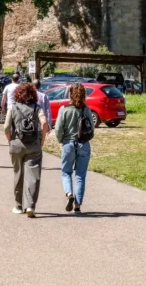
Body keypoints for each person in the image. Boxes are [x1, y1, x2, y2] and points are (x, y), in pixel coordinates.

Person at [4, 82, 48, 217]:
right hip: (33, 144)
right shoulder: (37, 107)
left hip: (16, 143)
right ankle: (30, 206)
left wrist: (9, 139)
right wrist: (42, 140)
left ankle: (18, 205)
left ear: (18, 94)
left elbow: (6, 127)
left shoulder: (13, 107)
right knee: (33, 175)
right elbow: (44, 122)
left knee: (18, 173)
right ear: (33, 95)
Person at [54, 82, 93, 213]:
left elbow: (58, 129)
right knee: (80, 176)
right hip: (83, 144)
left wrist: (61, 140)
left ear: (70, 94)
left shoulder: (64, 109)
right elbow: (91, 130)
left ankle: (69, 193)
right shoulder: (86, 109)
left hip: (68, 144)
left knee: (66, 172)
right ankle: (77, 205)